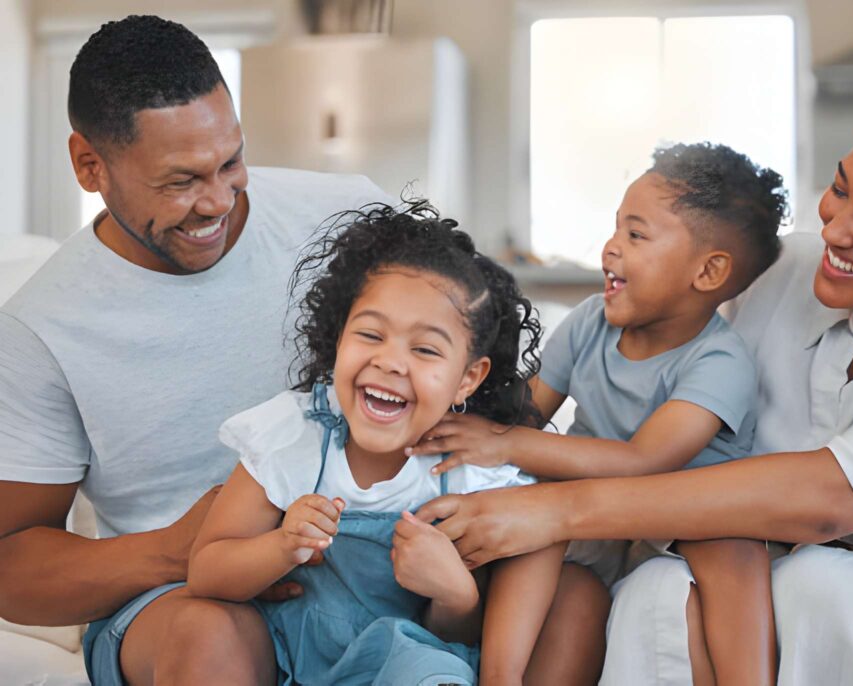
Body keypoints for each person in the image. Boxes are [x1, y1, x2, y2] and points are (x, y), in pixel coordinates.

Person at [416, 88, 853, 685]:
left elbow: (822, 499)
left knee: (817, 586)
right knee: (654, 587)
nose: (835, 229)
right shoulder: (784, 271)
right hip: (706, 561)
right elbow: (675, 298)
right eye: (840, 190)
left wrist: (554, 508)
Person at [0, 15, 389, 685]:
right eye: (179, 182)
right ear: (90, 165)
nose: (217, 202)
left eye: (231, 163)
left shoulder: (348, 216)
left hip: (366, 554)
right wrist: (183, 550)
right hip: (178, 599)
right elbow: (11, 565)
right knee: (207, 638)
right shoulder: (40, 329)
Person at [408, 142, 786, 685]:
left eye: (636, 235)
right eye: (615, 228)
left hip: (682, 521)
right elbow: (526, 412)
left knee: (735, 545)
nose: (610, 247)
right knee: (549, 543)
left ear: (707, 271)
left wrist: (506, 442)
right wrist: (469, 419)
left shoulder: (719, 362)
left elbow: (644, 461)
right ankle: (499, 675)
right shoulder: (591, 322)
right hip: (587, 523)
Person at [187, 204, 565, 685]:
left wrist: (456, 595)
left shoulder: (471, 475)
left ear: (468, 378)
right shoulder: (297, 434)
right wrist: (281, 546)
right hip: (285, 655)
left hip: (407, 665)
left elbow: (458, 639)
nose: (390, 362)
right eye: (370, 334)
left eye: (425, 349)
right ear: (339, 338)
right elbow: (207, 573)